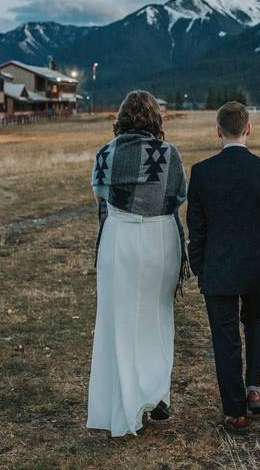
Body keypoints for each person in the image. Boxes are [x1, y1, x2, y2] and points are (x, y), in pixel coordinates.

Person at [86, 90, 188, 437]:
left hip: (118, 240)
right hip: (160, 240)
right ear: (155, 119)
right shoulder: (168, 154)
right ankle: (156, 395)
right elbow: (177, 196)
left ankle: (125, 401)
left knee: (118, 323)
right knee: (157, 318)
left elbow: (101, 198)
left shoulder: (104, 155)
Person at [186, 101, 260, 434]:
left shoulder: (202, 172)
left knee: (225, 338)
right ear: (248, 128)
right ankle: (253, 388)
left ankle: (235, 411)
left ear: (218, 131)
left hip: (217, 268)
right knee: (256, 320)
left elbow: (196, 227)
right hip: (257, 265)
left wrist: (198, 265)